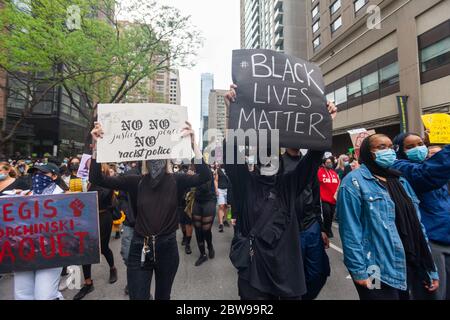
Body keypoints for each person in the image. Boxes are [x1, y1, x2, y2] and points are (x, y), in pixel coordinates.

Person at [225, 84, 337, 300]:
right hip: (254, 270)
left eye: (273, 156)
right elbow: (231, 151)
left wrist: (326, 121)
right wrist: (233, 111)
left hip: (287, 273)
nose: (269, 160)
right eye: (264, 156)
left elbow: (313, 157)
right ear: (256, 162)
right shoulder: (246, 183)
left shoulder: (289, 185)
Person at [89, 121, 211, 300]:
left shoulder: (177, 180)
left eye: (160, 154)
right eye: (152, 154)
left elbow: (205, 176)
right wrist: (96, 146)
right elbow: (96, 178)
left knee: (163, 296)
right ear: (145, 157)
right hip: (140, 248)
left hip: (167, 249)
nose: (156, 159)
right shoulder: (134, 181)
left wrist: (193, 143)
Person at [337, 134, 439, 300]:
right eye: (381, 147)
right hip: (375, 269)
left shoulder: (401, 181)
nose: (388, 151)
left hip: (408, 264)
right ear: (367, 153)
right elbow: (350, 230)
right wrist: (358, 271)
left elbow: (418, 227)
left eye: (391, 147)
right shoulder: (353, 182)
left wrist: (430, 267)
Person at [391, 133, 450, 300]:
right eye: (410, 146)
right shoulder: (401, 168)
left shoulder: (429, 165)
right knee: (433, 295)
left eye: (420, 143)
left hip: (446, 236)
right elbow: (426, 175)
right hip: (429, 243)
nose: (418, 148)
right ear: (399, 150)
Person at [282, 148, 330, 300]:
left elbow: (316, 200)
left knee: (318, 273)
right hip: (287, 230)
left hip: (311, 226)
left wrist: (321, 228)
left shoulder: (311, 164)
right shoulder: (277, 164)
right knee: (290, 277)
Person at [13, 163, 65, 300]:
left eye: (42, 174)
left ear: (54, 176)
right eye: (35, 174)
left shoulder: (63, 196)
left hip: (50, 252)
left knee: (46, 295)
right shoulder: (23, 195)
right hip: (23, 251)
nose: (37, 177)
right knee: (22, 295)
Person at [73, 163, 118, 300]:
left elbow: (99, 198)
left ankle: (112, 268)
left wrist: (86, 189)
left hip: (103, 217)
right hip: (87, 218)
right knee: (86, 250)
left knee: (103, 247)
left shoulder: (105, 182)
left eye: (91, 167)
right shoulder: (82, 181)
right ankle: (88, 283)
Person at [192, 164, 217, 266]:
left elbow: (205, 187)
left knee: (206, 229)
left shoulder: (207, 173)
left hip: (208, 201)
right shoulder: (194, 173)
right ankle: (202, 254)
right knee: (198, 229)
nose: (192, 167)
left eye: (193, 165)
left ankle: (210, 246)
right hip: (198, 201)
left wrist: (192, 179)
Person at [318, 157, 340, 238]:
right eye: (327, 162)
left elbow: (338, 183)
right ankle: (327, 230)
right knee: (326, 214)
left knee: (331, 215)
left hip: (333, 199)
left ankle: (327, 228)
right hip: (324, 199)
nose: (330, 164)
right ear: (323, 164)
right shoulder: (319, 172)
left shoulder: (334, 173)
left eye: (330, 162)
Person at [175, 164, 194, 255]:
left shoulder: (193, 176)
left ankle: (187, 243)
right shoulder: (178, 177)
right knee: (183, 223)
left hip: (189, 203)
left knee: (188, 223)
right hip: (180, 203)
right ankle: (185, 238)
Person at [216, 164, 230, 232]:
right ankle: (221, 223)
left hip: (228, 190)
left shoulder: (229, 170)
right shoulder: (218, 170)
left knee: (226, 206)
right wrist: (216, 190)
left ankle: (225, 220)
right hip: (220, 190)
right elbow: (216, 180)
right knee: (221, 206)